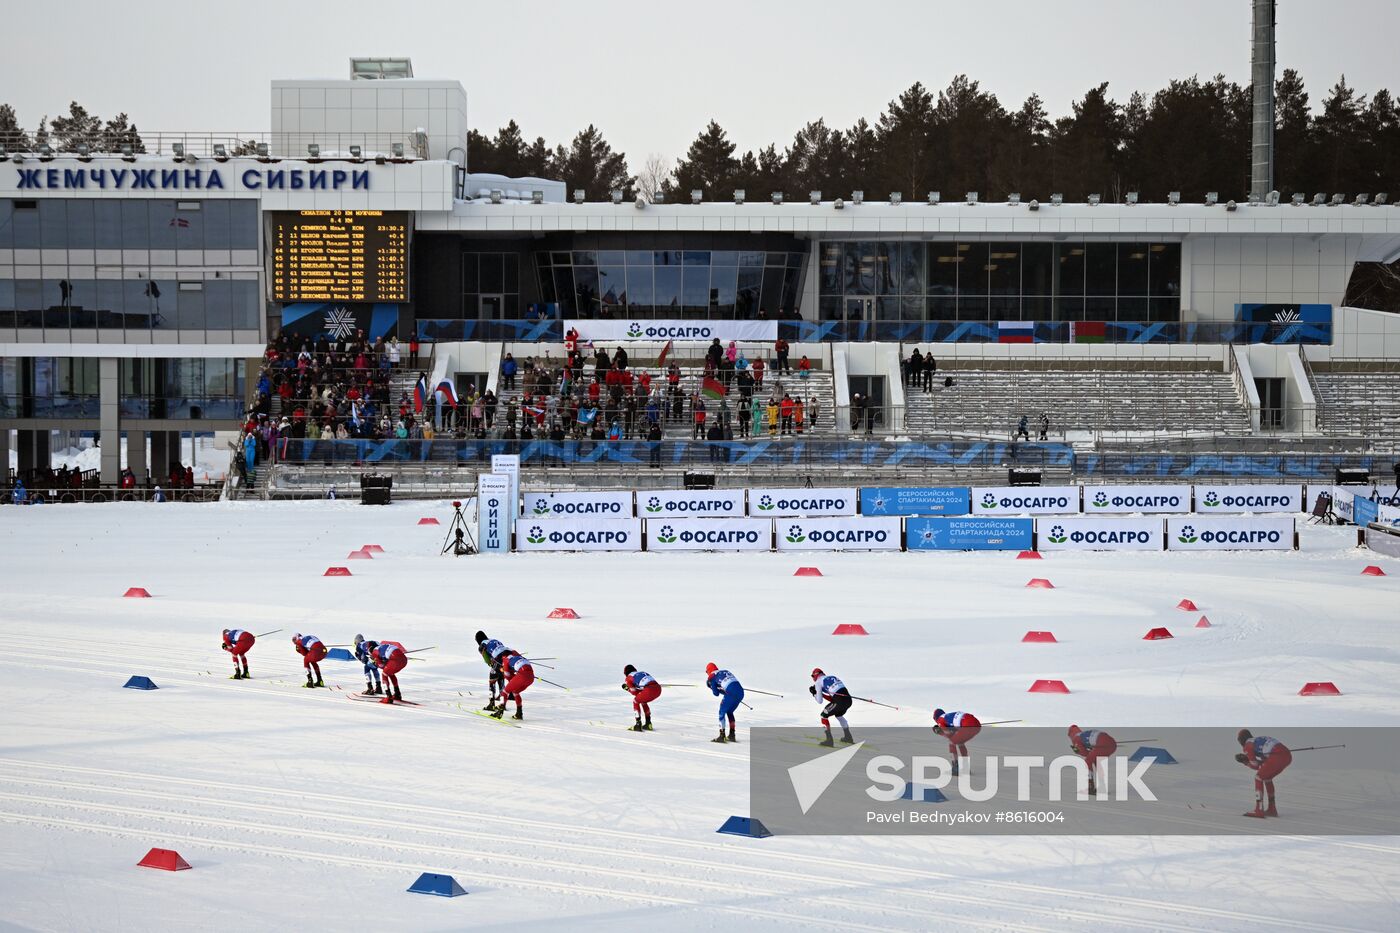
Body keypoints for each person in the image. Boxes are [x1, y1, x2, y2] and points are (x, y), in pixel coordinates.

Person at [1236, 729, 1293, 817]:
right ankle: (1272, 809)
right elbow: (1263, 765)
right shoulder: (1257, 741)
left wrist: (1245, 762)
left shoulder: (1248, 745)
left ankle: (1259, 810)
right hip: (1287, 756)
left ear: (1241, 740)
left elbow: (1255, 765)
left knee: (1258, 777)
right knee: (1267, 777)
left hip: (1276, 756)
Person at [1067, 724, 1118, 796]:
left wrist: (1078, 751)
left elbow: (1085, 753)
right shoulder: (1084, 734)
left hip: (1102, 745)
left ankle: (1090, 787)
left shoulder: (1076, 738)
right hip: (1112, 745)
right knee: (1097, 761)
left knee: (1087, 761)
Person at [810, 668, 854, 747]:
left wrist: (814, 693)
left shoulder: (818, 682)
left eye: (812, 676)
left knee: (823, 715)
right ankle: (848, 737)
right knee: (839, 715)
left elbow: (820, 701)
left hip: (840, 701)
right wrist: (822, 694)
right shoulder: (832, 677)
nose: (813, 678)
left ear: (815, 675)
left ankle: (829, 740)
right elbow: (833, 699)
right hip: (848, 700)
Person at [932, 708, 981, 774]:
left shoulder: (940, 719)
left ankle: (955, 768)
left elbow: (948, 734)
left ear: (935, 718)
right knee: (960, 742)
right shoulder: (948, 717)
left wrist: (939, 732)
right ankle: (965, 768)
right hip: (975, 724)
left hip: (967, 725)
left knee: (951, 742)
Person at [705, 662, 744, 743]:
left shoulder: (711, 677)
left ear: (708, 670)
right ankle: (732, 735)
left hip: (731, 692)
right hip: (741, 691)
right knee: (730, 712)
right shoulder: (725, 671)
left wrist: (713, 687)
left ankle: (722, 736)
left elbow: (716, 694)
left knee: (721, 712)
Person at [475, 630, 511, 711]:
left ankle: (491, 704)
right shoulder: (494, 640)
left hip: (498, 662)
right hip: (506, 660)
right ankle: (502, 704)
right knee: (501, 683)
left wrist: (493, 665)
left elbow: (487, 660)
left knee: (492, 683)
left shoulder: (482, 645)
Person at [493, 650, 534, 720]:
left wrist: (504, 670)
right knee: (515, 692)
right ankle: (519, 713)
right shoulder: (519, 657)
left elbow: (507, 675)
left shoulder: (506, 659)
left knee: (504, 692)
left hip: (522, 676)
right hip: (531, 678)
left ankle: (500, 712)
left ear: (504, 656)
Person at [623, 664, 662, 732]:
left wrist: (627, 689)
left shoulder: (628, 678)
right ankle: (648, 723)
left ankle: (638, 724)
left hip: (648, 690)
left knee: (635, 701)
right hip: (658, 689)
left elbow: (634, 693)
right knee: (643, 701)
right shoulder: (642, 672)